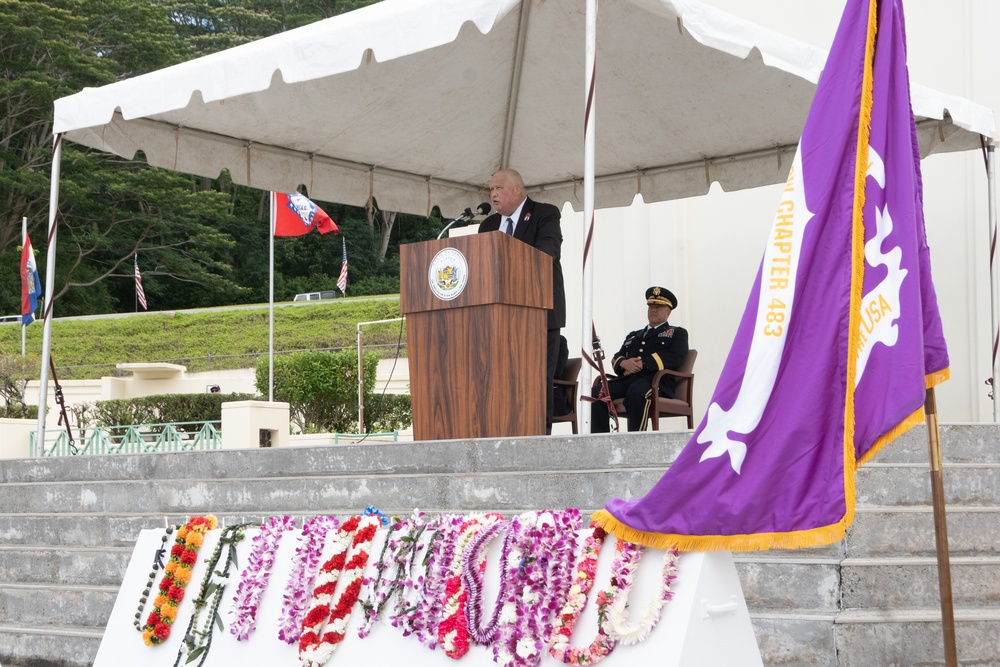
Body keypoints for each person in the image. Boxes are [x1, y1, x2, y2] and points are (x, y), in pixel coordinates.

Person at [479, 168, 566, 434]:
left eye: (499, 188)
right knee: (502, 381)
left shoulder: (545, 214)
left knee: (537, 381)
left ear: (517, 190)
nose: (493, 194)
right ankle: (503, 433)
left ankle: (540, 438)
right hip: (499, 319)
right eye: (491, 189)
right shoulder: (488, 226)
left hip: (539, 314)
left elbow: (546, 253)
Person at [591, 286, 689, 432]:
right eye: (650, 306)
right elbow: (617, 357)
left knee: (637, 392)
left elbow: (676, 356)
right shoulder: (633, 335)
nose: (653, 310)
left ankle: (636, 440)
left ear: (668, 312)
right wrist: (624, 363)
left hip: (656, 382)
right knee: (597, 392)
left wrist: (643, 363)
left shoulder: (677, 333)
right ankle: (600, 442)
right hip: (629, 379)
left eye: (658, 307)